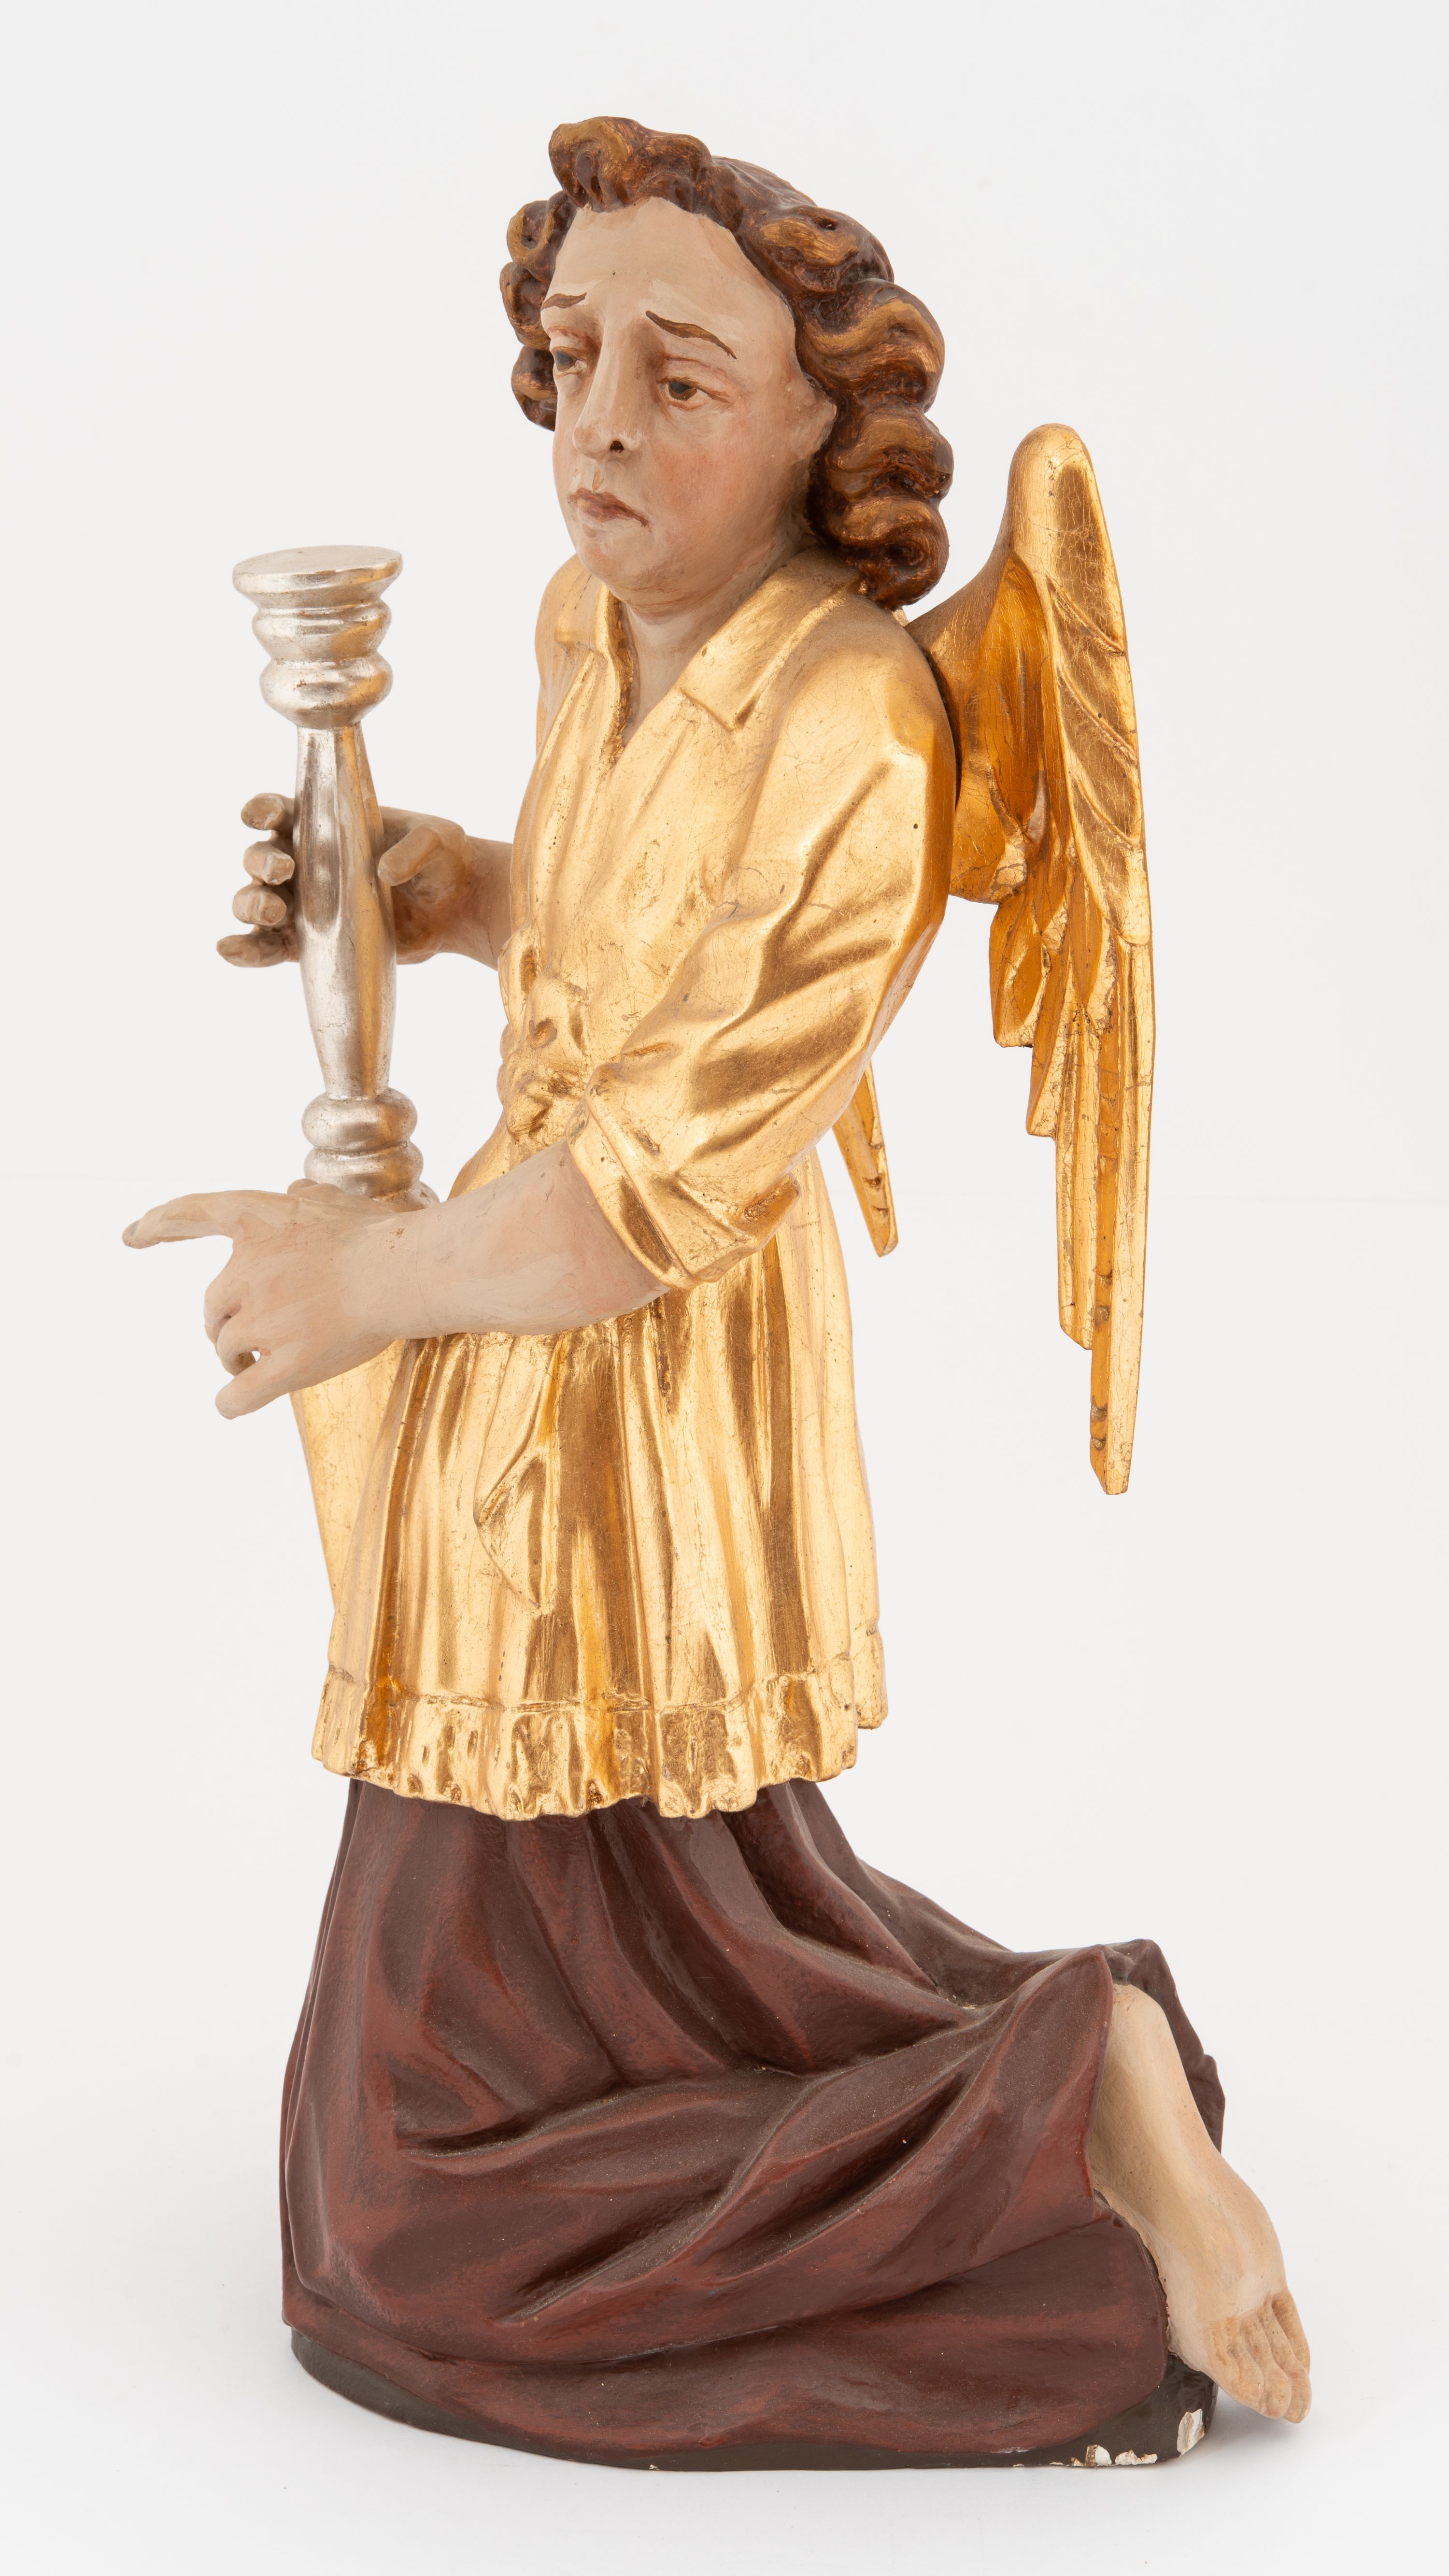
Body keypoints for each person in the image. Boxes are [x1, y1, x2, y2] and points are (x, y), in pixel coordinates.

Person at [126, 116, 1310, 2462]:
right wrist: (434, 880)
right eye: (571, 357)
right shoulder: (588, 627)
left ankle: (1048, 2111)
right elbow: (605, 929)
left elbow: (663, 1174)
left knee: (391, 2208)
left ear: (813, 429)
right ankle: (1064, 2072)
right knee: (675, 1935)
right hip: (520, 1324)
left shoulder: (861, 722)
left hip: (633, 1354)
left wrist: (369, 1276)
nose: (598, 423)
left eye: (679, 380)